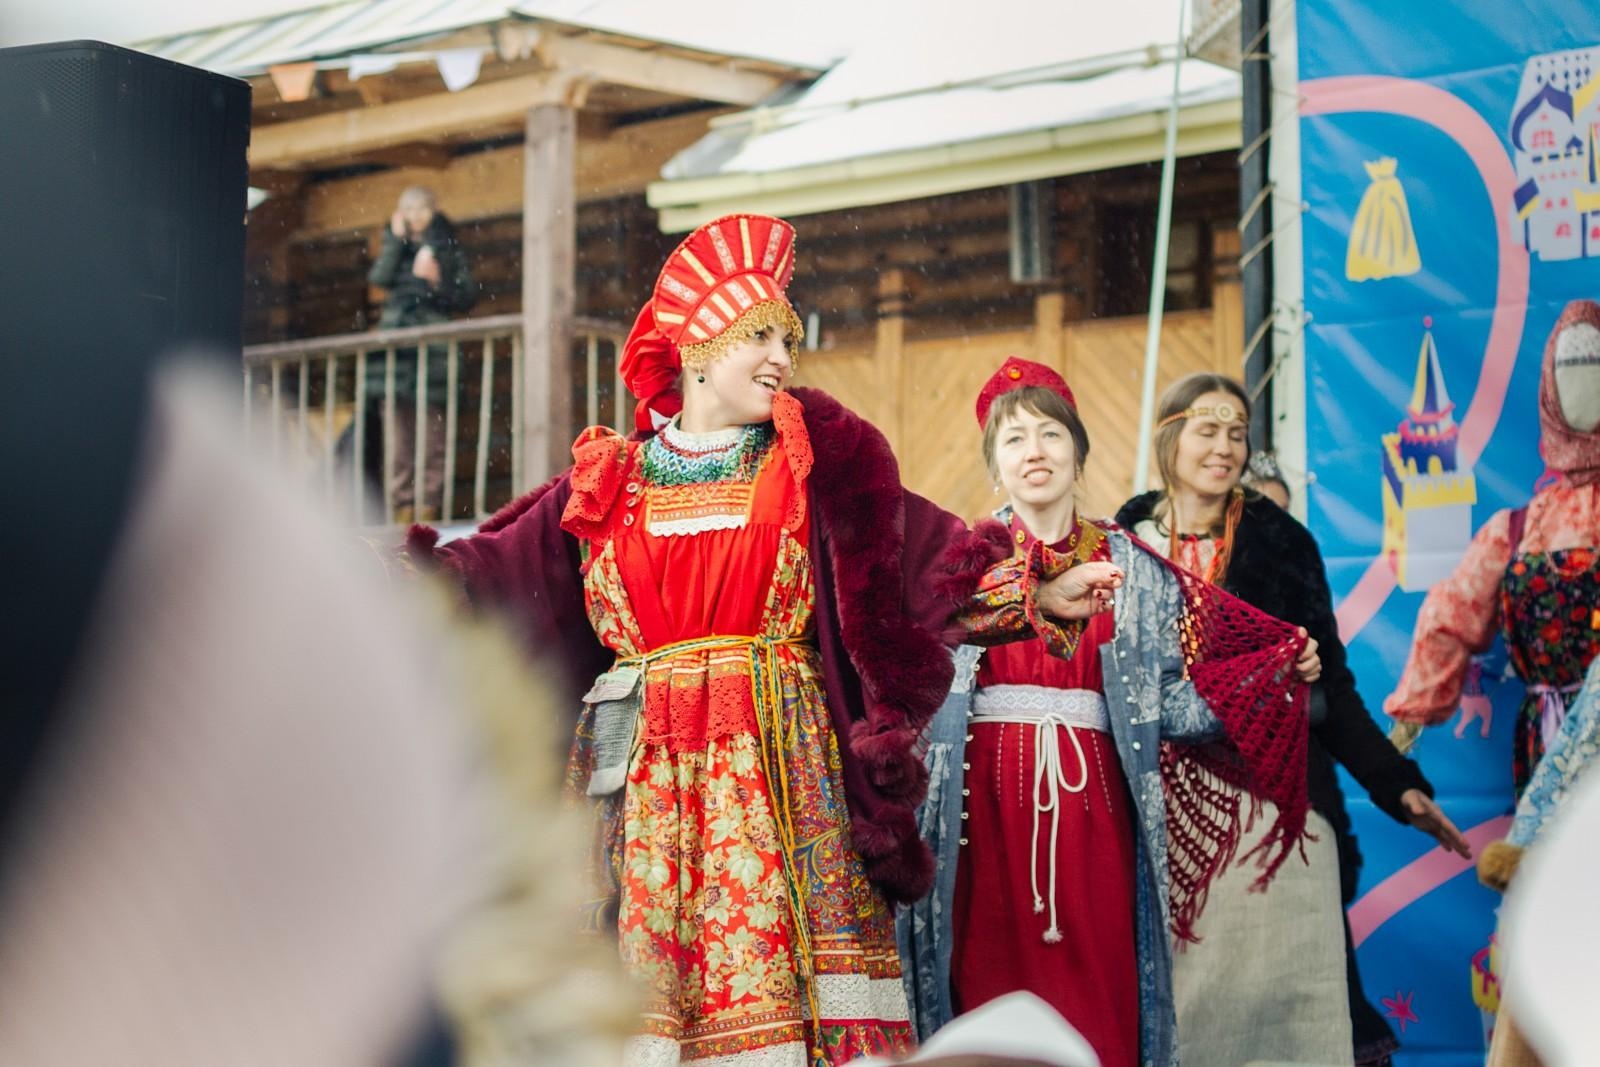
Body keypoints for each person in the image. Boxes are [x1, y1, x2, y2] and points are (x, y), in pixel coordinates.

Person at [402, 217, 1120, 1066]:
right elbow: (494, 575)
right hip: (640, 782)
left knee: (790, 998)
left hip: (781, 774)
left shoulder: (810, 465)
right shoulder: (610, 479)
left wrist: (1035, 585)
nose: (783, 355)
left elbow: (917, 563)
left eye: (790, 337)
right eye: (762, 335)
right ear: (701, 343)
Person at [899, 357, 1323, 1067]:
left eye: (1050, 434)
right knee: (983, 997)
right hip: (981, 822)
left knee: (1101, 998)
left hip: (1097, 821)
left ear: (1079, 451)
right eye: (1013, 439)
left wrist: (1267, 678)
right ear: (994, 465)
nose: (1034, 451)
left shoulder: (1138, 569)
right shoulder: (957, 567)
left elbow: (1168, 706)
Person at [1116, 372, 1469, 1067]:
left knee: (1281, 1014)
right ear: (1170, 435)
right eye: (1208, 429)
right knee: (1177, 1013)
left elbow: (1328, 683)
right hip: (1156, 817)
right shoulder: (1123, 546)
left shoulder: (1281, 544)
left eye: (1237, 434)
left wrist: (1397, 784)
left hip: (1268, 809)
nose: (1224, 447)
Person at [1386, 299, 1600, 799]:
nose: (1584, 383)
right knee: (1558, 871)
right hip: (1552, 747)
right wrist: (1406, 726)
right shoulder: (1519, 529)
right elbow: (1450, 616)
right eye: (1571, 367)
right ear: (1549, 389)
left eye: (1595, 365)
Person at [366, 186, 478, 523]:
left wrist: (437, 282)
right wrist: (396, 242)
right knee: (398, 440)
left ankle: (428, 508)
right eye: (407, 209)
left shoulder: (447, 246)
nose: (414, 215)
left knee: (432, 438)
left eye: (420, 208)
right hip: (397, 352)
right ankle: (401, 510)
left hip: (434, 352)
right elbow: (380, 278)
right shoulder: (394, 244)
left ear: (433, 211)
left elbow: (466, 295)